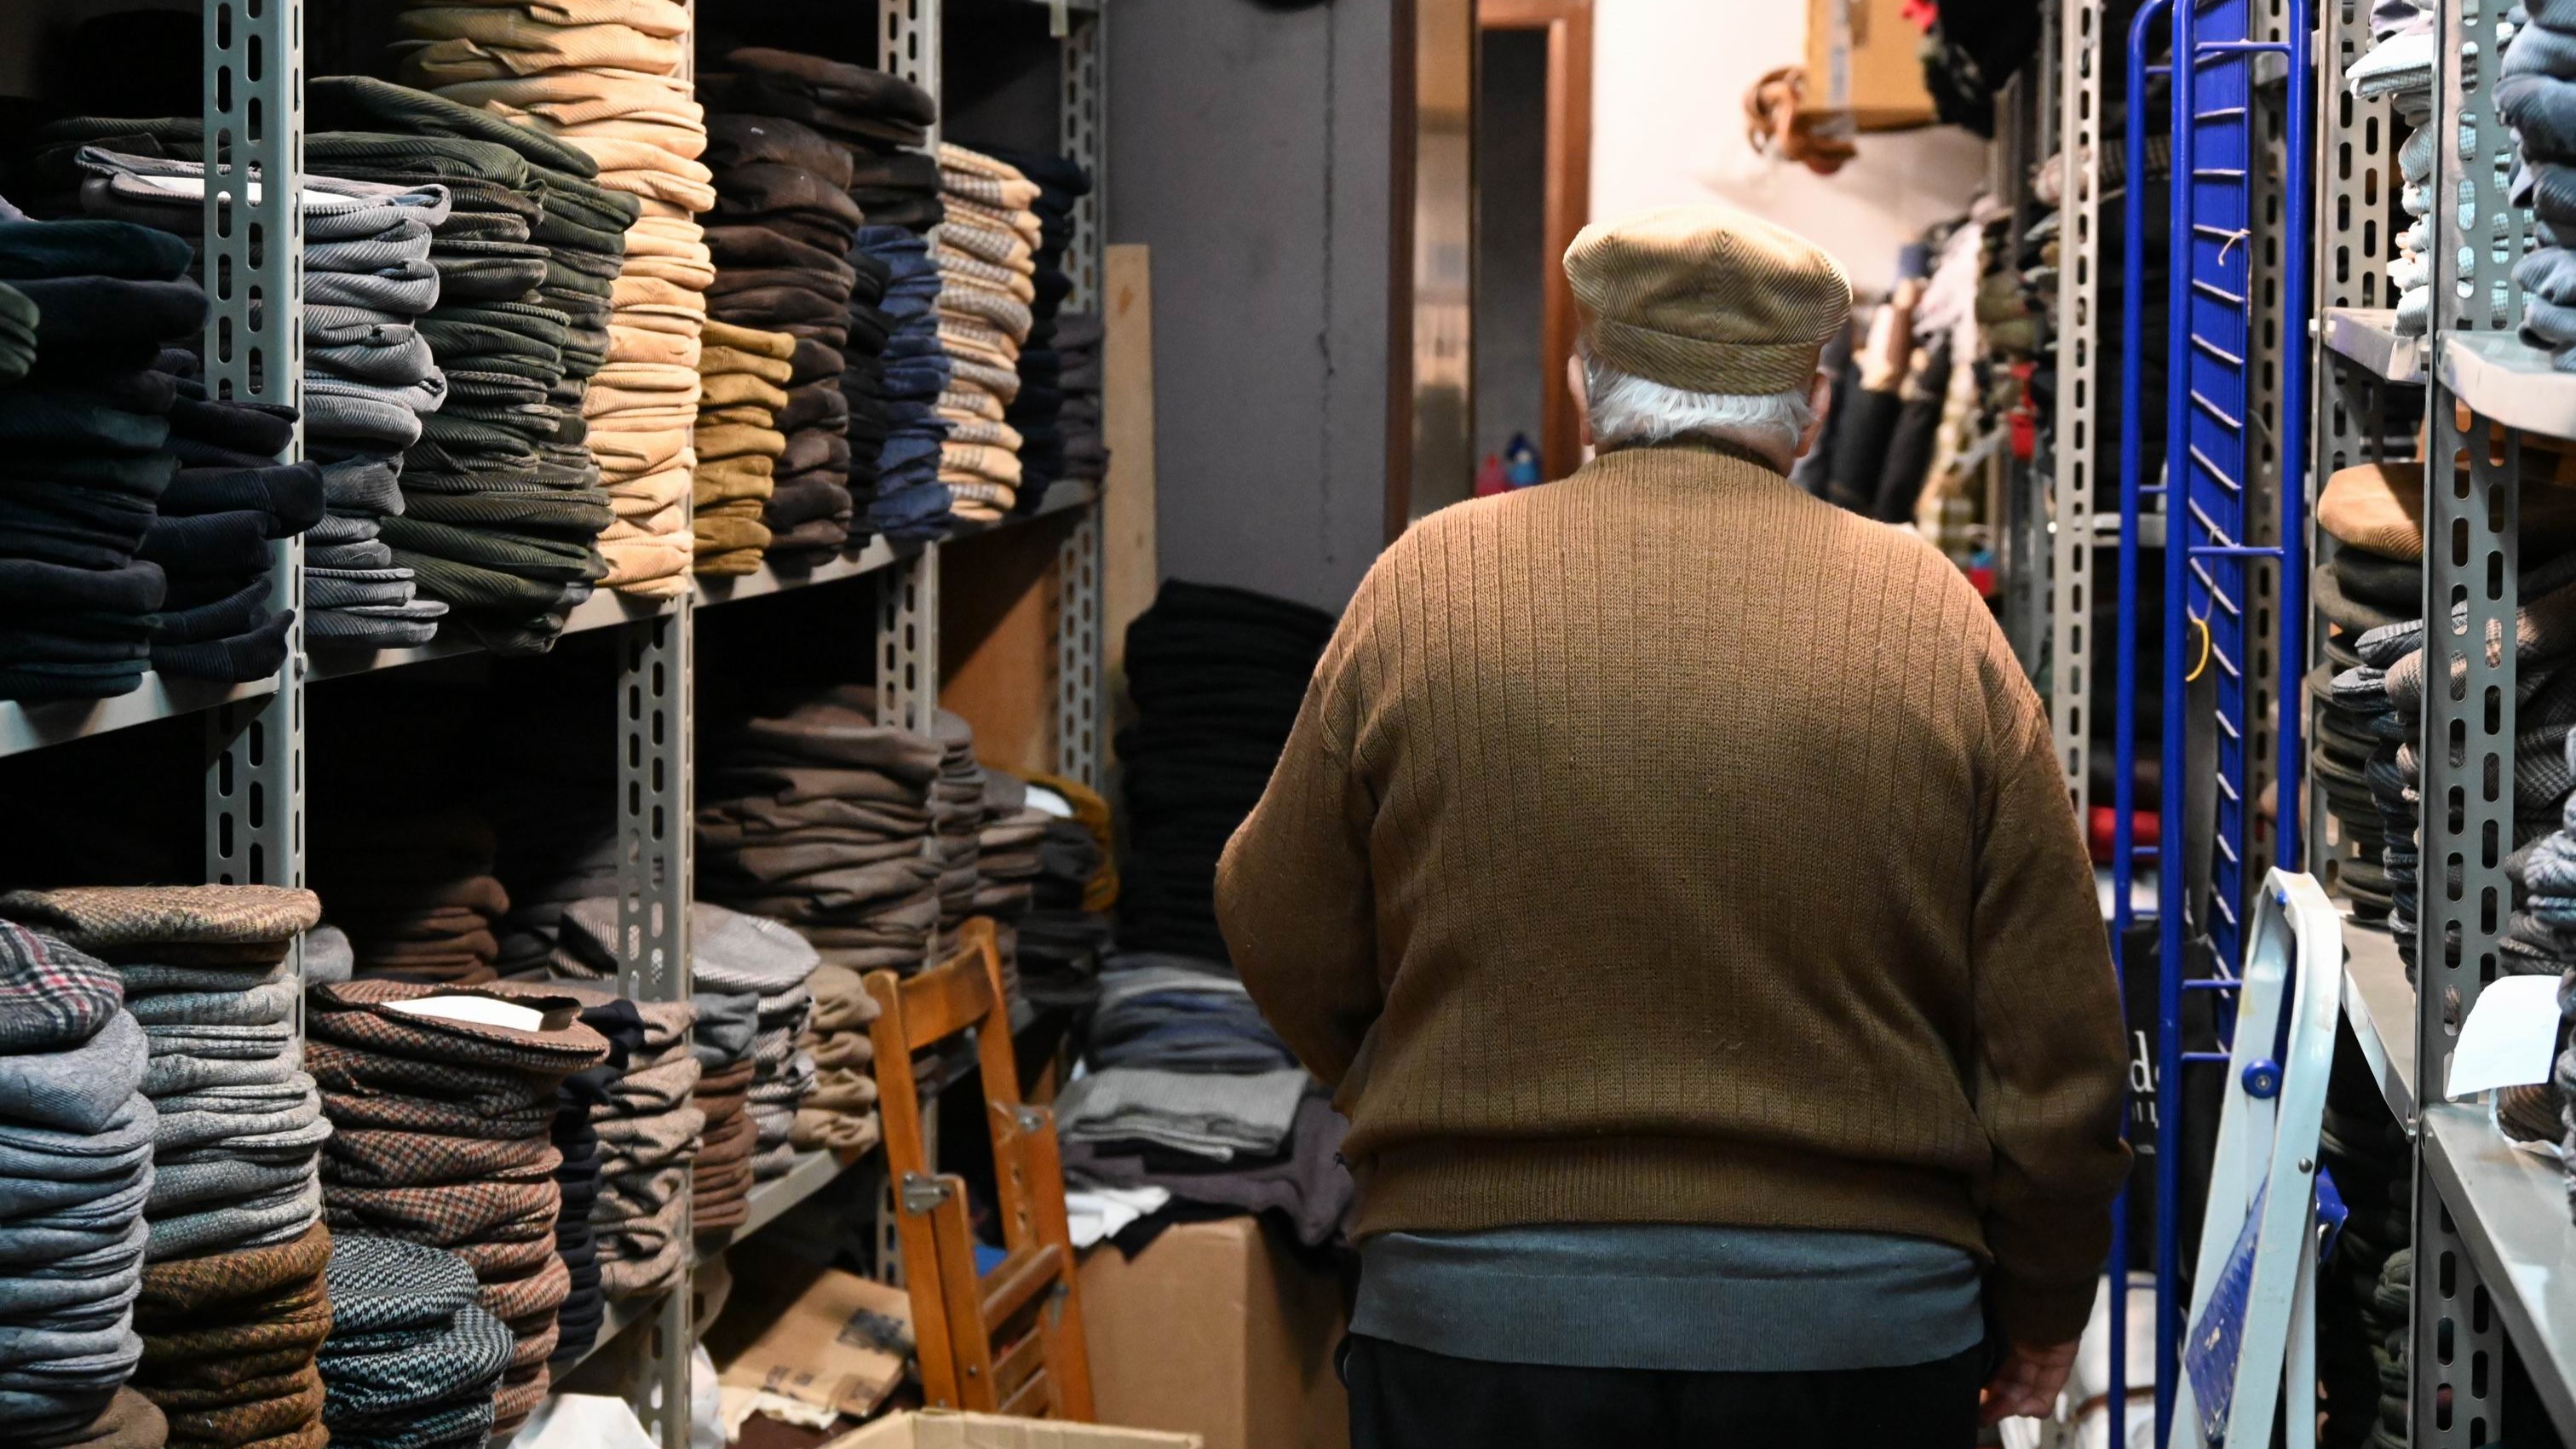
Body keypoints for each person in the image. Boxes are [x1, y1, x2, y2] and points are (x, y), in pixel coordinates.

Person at [1213, 204, 2130, 1449]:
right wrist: (2040, 1302)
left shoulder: (1428, 588)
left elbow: (1276, 917)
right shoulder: (1929, 617)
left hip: (1480, 1325)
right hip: (1851, 1339)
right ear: (1808, 406)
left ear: (1588, 382)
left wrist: (1421, 1076)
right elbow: (2059, 1050)